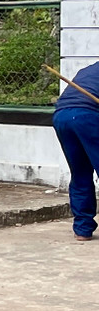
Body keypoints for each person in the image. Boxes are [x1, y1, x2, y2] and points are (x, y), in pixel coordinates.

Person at [53, 60, 99, 242]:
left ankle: (82, 228)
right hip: (87, 116)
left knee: (80, 173)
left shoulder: (87, 70)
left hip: (62, 117)